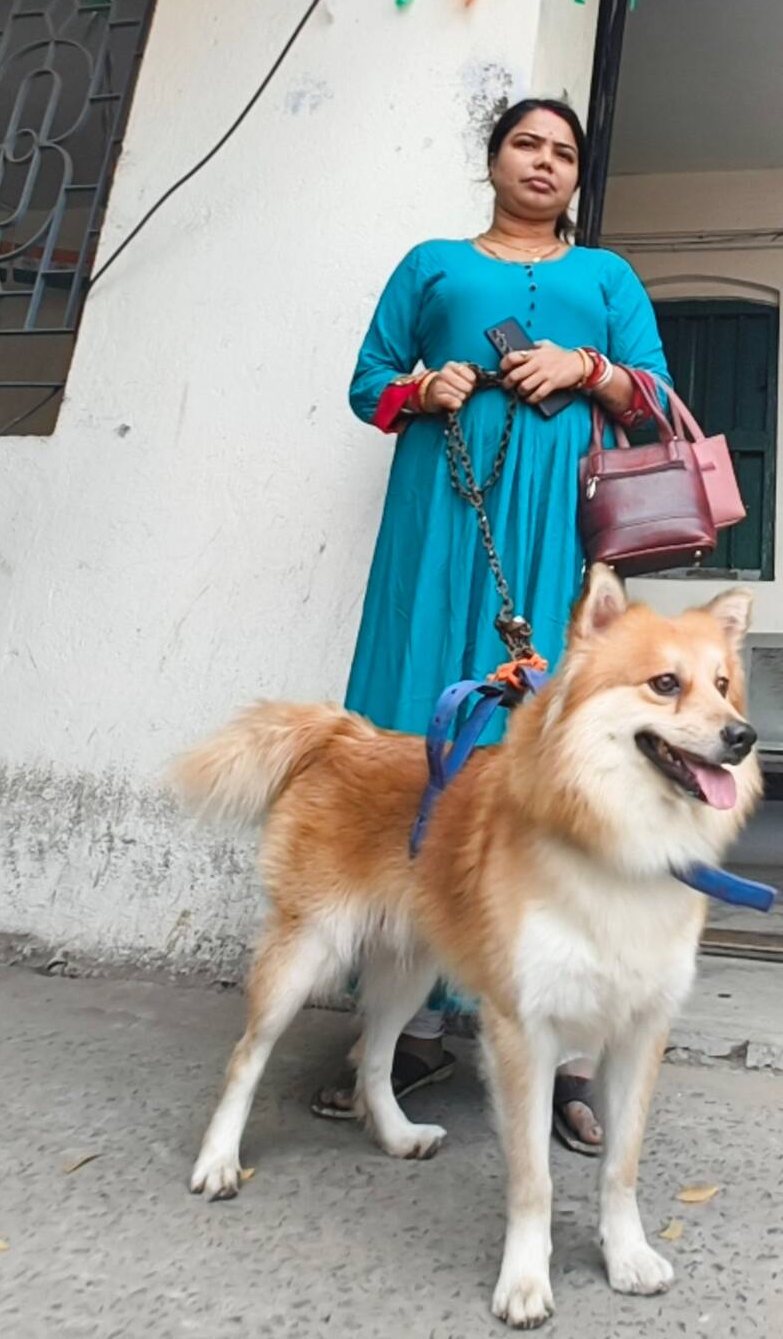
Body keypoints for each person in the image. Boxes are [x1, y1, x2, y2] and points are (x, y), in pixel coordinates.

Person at [316, 97, 674, 1153]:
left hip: (560, 543)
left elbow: (657, 401)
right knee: (420, 741)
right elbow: (366, 385)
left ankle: (570, 1048)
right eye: (526, 144)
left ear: (576, 177)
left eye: (563, 152)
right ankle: (411, 1022)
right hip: (441, 528)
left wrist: (588, 370)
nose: (544, 163)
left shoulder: (605, 278)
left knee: (562, 761)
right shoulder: (430, 265)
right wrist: (424, 387)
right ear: (492, 160)